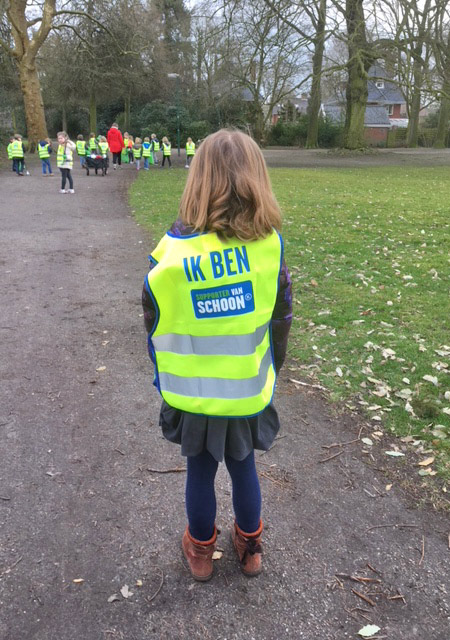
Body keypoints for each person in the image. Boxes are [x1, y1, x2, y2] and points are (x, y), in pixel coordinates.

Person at [142, 129, 292, 582]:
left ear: (197, 180)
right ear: (257, 179)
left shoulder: (170, 253)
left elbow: (153, 324)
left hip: (192, 394)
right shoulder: (269, 249)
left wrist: (163, 377)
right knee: (244, 467)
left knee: (200, 472)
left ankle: (201, 551)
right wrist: (270, 373)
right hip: (247, 388)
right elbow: (280, 322)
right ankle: (250, 547)